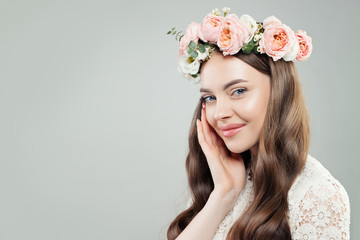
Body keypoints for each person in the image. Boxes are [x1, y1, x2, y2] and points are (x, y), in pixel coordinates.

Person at [166, 7, 350, 240]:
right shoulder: (218, 183)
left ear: (279, 93)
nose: (220, 113)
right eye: (209, 98)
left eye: (239, 91)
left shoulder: (316, 195)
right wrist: (224, 194)